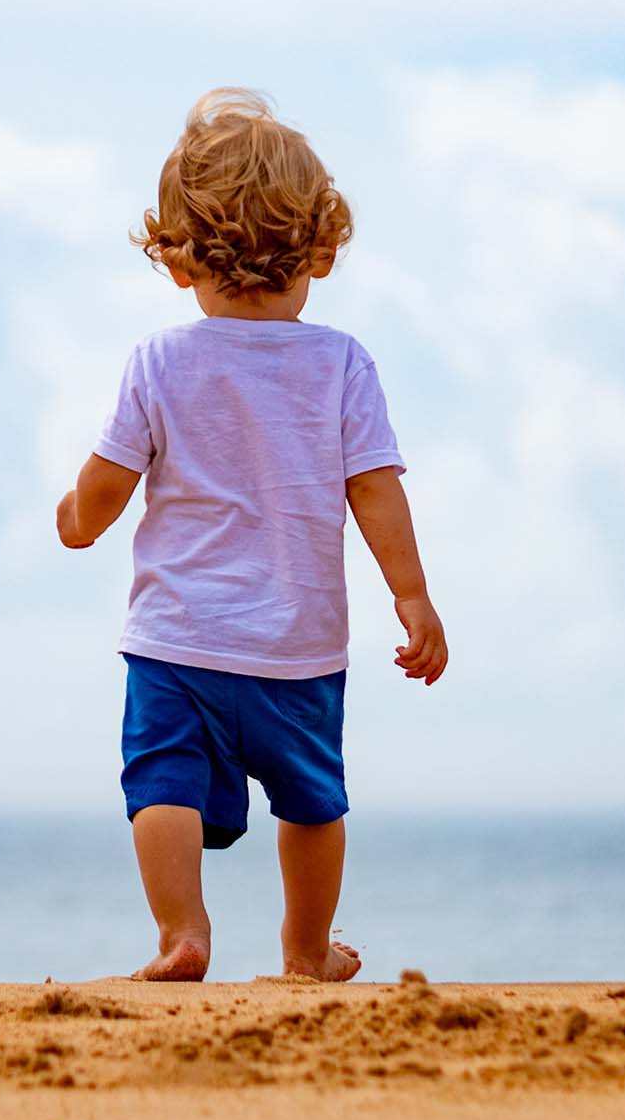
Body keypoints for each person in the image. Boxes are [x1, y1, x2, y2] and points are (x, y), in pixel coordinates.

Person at [55, 88, 447, 983]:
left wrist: (76, 520)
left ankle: (181, 933)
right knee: (312, 800)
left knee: (162, 782)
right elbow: (375, 489)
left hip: (177, 640)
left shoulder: (159, 361)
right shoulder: (341, 362)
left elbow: (107, 483)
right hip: (296, 647)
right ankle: (307, 950)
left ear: (178, 259)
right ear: (318, 249)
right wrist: (411, 595)